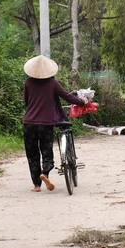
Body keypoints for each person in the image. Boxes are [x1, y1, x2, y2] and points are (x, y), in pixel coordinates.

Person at [22, 55, 88, 192]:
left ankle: (36, 185)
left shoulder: (28, 83)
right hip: (46, 124)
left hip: (29, 123)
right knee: (46, 150)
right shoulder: (52, 84)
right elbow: (67, 96)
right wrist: (82, 101)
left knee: (32, 153)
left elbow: (26, 102)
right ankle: (45, 174)